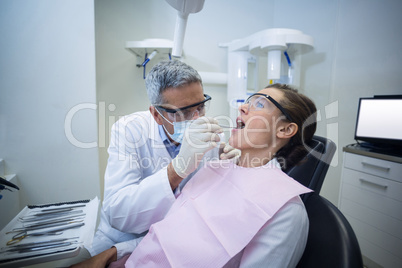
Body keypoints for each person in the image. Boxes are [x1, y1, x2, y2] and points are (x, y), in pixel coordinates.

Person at [121, 83, 318, 267]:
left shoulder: (285, 211)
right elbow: (170, 231)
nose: (242, 108)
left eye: (260, 104)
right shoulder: (215, 167)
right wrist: (116, 252)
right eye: (248, 101)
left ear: (285, 129)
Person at [70, 60, 239, 267]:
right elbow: (118, 212)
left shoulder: (210, 136)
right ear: (157, 115)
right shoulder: (129, 130)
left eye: (201, 107)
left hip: (175, 241)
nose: (196, 118)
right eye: (184, 112)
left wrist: (232, 167)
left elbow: (202, 214)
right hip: (118, 239)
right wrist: (177, 169)